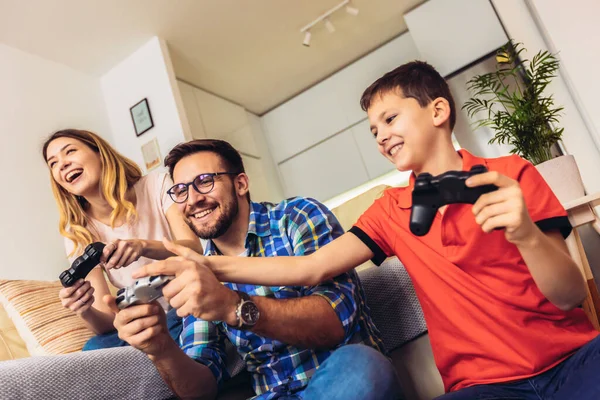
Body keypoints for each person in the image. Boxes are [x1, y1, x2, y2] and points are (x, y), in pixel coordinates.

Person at [138, 62, 600, 399]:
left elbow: (569, 294)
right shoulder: (391, 210)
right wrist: (201, 260)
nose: (380, 136)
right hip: (482, 388)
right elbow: (309, 268)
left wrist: (524, 234)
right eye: (373, 129)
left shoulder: (511, 173)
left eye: (390, 119)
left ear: (438, 110)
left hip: (575, 357)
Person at [105, 139, 402, 400]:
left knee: (362, 366)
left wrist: (233, 306)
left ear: (241, 184)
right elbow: (200, 388)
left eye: (204, 181)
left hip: (339, 378)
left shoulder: (296, 217)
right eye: (180, 191)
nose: (192, 199)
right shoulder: (194, 272)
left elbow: (335, 322)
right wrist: (160, 348)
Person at [42, 129, 201, 350]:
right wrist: (84, 310)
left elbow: (194, 249)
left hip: (183, 303)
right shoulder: (77, 231)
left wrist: (143, 247)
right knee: (92, 349)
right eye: (53, 163)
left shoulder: (157, 185)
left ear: (99, 153)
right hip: (141, 319)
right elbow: (107, 323)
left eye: (70, 152)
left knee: (181, 322)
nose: (62, 164)